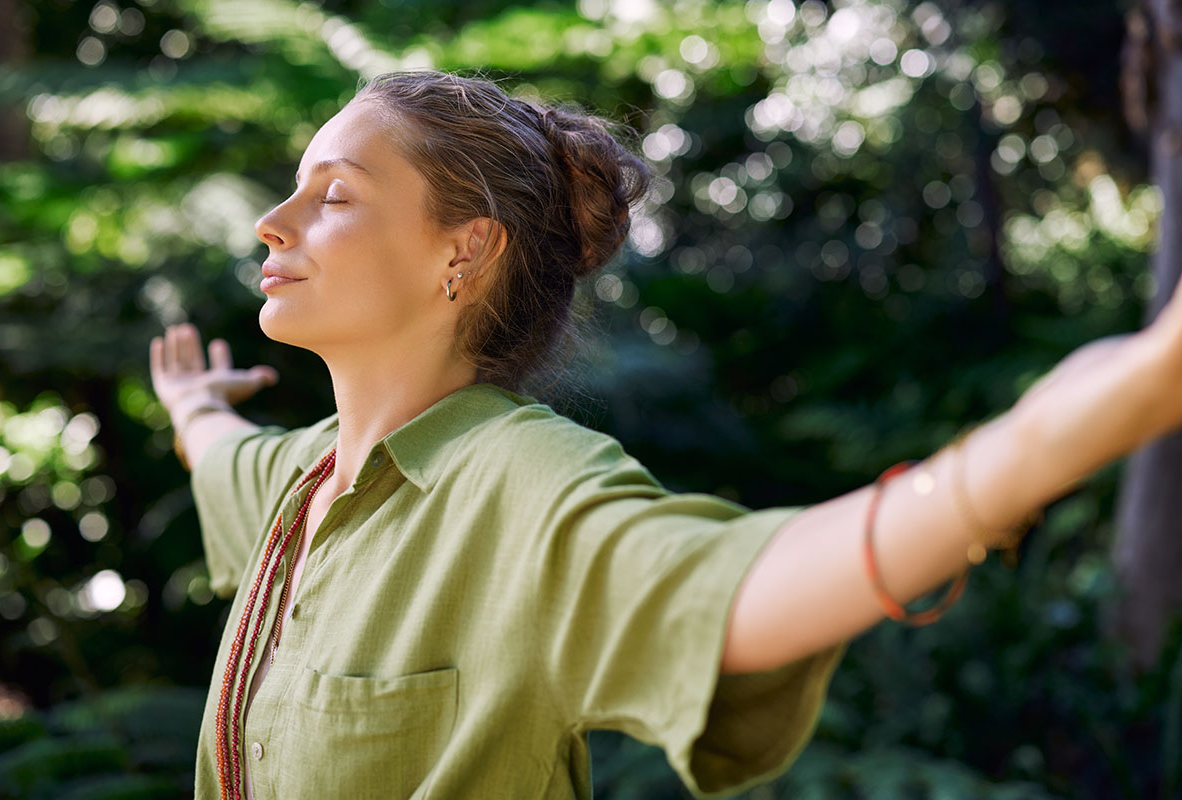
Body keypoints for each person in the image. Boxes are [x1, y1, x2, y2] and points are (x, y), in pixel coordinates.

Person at [148, 70, 1182, 800]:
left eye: (333, 195)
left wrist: (1070, 426)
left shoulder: (522, 480)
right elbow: (218, 449)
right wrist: (195, 400)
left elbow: (737, 589)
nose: (271, 221)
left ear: (462, 254)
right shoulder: (298, 477)